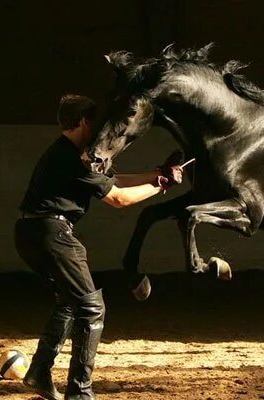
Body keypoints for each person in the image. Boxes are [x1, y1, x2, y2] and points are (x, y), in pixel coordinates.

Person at [14, 94, 183, 400]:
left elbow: (113, 180)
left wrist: (157, 173)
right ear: (82, 122)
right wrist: (161, 186)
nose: (100, 133)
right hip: (54, 232)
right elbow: (118, 199)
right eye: (95, 125)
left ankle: (39, 372)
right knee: (92, 308)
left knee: (69, 301)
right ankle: (80, 392)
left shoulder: (64, 152)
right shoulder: (76, 157)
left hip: (30, 232)